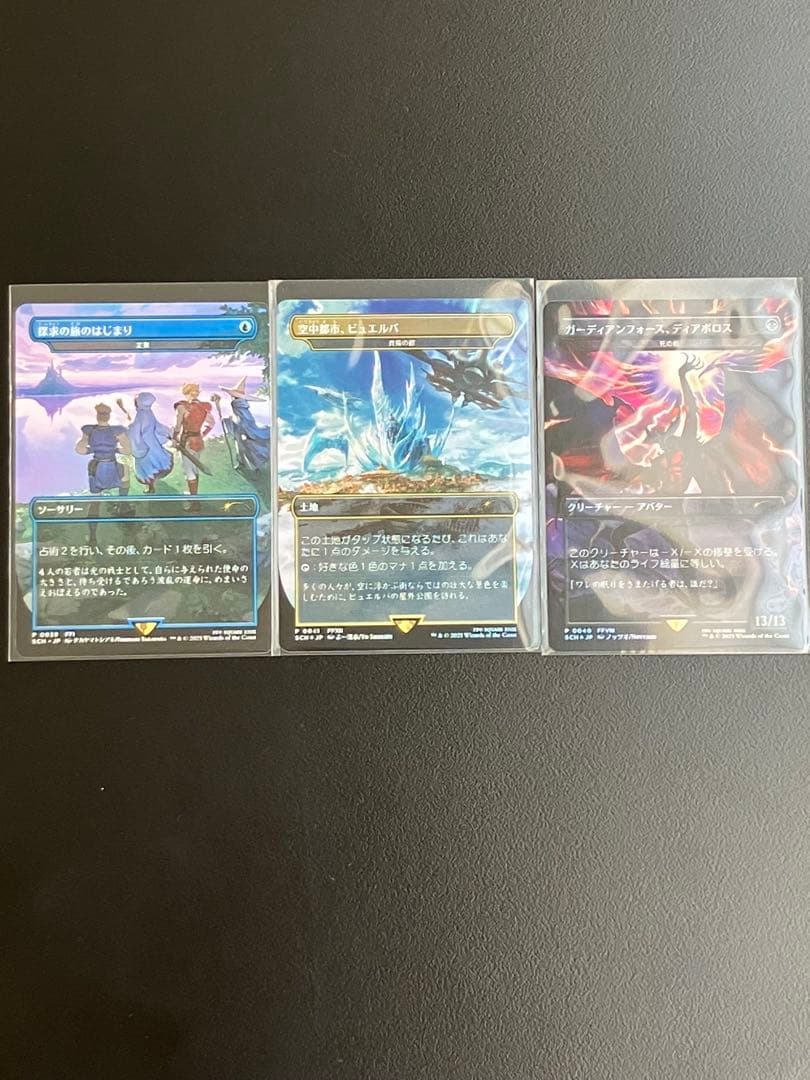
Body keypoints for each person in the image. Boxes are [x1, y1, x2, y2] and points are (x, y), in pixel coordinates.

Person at [75, 403, 132, 541]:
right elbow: (127, 451)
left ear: (97, 416)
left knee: (95, 502)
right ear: (109, 416)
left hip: (97, 469)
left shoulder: (89, 430)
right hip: (112, 467)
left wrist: (92, 449)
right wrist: (115, 450)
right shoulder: (117, 430)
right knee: (125, 470)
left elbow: (80, 450)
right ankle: (123, 505)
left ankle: (92, 535)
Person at [213, 376, 269, 481]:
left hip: (243, 429)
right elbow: (240, 418)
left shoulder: (237, 404)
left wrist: (229, 422)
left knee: (247, 449)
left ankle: (252, 468)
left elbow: (242, 419)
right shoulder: (241, 405)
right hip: (241, 429)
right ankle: (244, 465)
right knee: (243, 448)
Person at [127, 392, 173, 493]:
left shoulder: (141, 414)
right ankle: (152, 485)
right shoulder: (149, 413)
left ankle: (150, 487)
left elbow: (136, 429)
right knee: (155, 462)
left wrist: (130, 427)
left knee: (146, 466)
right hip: (153, 443)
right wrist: (167, 433)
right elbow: (157, 426)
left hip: (143, 444)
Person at [173, 382, 214, 495]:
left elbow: (177, 426)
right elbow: (211, 424)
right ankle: (194, 494)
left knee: (188, 469)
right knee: (195, 467)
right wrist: (202, 434)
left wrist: (174, 438)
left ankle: (193, 499)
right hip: (198, 441)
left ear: (185, 393)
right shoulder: (203, 407)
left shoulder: (182, 406)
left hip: (186, 442)